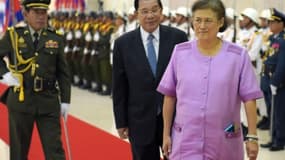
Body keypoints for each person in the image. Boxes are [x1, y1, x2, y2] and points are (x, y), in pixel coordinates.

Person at [157, 0, 263, 159]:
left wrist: (252, 136)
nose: (201, 25)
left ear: (220, 22)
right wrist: (166, 135)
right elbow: (169, 95)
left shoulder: (237, 56)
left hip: (224, 141)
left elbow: (249, 98)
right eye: (197, 20)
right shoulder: (180, 52)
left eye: (208, 20)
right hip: (185, 139)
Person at [112, 0, 188, 159]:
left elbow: (187, 80)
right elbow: (119, 86)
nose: (150, 16)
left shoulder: (178, 38)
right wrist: (121, 121)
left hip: (175, 120)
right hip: (139, 120)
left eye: (154, 10)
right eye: (145, 11)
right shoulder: (123, 44)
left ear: (161, 11)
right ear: (137, 13)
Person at [0, 0, 71, 159]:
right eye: (36, 12)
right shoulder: (13, 36)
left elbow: (63, 72)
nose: (41, 16)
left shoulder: (55, 38)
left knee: (55, 151)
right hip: (21, 100)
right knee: (19, 152)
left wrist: (66, 100)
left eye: (44, 12)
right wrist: (4, 75)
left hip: (48, 101)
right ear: (26, 14)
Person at [260, 8, 285, 151]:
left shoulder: (282, 41)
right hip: (268, 79)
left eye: (273, 22)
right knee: (271, 111)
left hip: (278, 83)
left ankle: (279, 140)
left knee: (279, 113)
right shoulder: (272, 39)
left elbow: (282, 64)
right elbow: (268, 58)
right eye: (269, 22)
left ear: (281, 24)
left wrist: (275, 82)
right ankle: (273, 136)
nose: (270, 25)